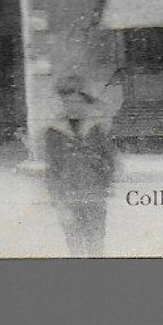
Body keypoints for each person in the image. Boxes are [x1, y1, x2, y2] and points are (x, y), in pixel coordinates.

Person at [43, 74, 119, 258]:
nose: (73, 106)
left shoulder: (97, 129)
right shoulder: (54, 132)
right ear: (62, 101)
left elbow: (110, 158)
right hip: (69, 198)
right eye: (68, 101)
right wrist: (58, 202)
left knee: (95, 244)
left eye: (78, 100)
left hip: (94, 196)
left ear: (86, 102)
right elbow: (52, 170)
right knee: (74, 244)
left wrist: (107, 185)